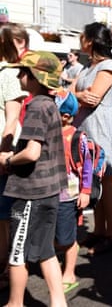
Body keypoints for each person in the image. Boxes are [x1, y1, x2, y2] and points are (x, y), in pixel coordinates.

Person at [0, 51, 67, 307]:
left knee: (18, 253)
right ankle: (59, 302)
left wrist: (7, 160)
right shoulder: (49, 104)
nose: (19, 75)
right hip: (48, 192)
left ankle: (15, 303)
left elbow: (32, 152)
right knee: (46, 251)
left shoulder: (36, 106)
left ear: (35, 77)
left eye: (24, 72)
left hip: (30, 193)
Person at [72, 22, 112, 256]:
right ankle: (99, 231)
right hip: (86, 126)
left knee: (106, 182)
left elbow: (92, 98)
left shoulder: (108, 65)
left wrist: (77, 95)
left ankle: (111, 234)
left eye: (82, 36)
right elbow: (69, 94)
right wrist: (77, 95)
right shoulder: (86, 67)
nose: (79, 40)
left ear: (90, 40)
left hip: (101, 127)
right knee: (95, 181)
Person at [0, 24, 29, 290]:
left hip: (2, 154)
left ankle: (8, 267)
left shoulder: (7, 74)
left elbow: (11, 119)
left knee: (5, 216)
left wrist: (4, 154)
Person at [54, 90, 91, 294]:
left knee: (66, 239)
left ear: (66, 116)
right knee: (56, 235)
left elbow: (86, 166)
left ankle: (69, 272)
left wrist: (85, 191)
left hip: (69, 195)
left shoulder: (77, 137)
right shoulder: (48, 133)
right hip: (50, 192)